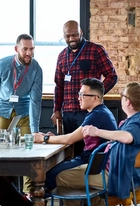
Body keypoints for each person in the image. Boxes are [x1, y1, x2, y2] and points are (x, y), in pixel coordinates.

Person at [55, 82, 140, 206]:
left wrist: (97, 132)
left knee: (62, 177)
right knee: (77, 173)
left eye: (122, 96)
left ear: (127, 101)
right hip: (120, 172)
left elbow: (127, 137)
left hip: (117, 176)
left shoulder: (136, 122)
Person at [33, 78, 117, 191]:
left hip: (92, 164)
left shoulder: (97, 115)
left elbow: (70, 139)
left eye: (83, 95)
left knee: (48, 175)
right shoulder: (101, 112)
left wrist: (44, 138)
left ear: (95, 98)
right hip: (94, 161)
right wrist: (54, 138)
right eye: (79, 94)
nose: (79, 98)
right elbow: (73, 135)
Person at [51, 20, 118, 157]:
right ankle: (71, 176)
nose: (71, 39)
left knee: (87, 149)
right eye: (67, 36)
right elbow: (59, 85)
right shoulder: (62, 56)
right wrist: (56, 110)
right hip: (68, 112)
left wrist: (96, 94)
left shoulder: (96, 50)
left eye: (74, 35)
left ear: (81, 32)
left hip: (89, 112)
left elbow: (112, 76)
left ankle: (88, 176)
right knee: (70, 151)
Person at [0, 33, 43, 195]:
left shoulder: (36, 69)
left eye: (31, 49)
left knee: (29, 148)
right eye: (25, 49)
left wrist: (34, 130)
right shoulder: (2, 64)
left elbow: (35, 100)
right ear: (16, 49)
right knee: (1, 150)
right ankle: (1, 192)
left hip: (24, 109)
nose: (29, 53)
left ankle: (29, 193)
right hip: (2, 108)